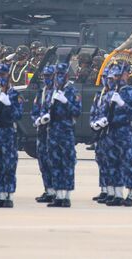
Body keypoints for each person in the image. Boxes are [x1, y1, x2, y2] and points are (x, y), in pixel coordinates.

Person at [95, 62, 132, 206]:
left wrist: (122, 104)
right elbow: (102, 111)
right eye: (114, 76)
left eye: (119, 75)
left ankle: (131, 194)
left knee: (127, 162)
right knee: (112, 163)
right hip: (111, 132)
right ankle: (118, 194)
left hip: (124, 131)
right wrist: (100, 120)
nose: (117, 78)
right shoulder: (109, 94)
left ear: (127, 75)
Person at [46, 63, 82, 208]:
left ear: (66, 76)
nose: (58, 77)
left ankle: (66, 196)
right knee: (55, 163)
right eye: (56, 74)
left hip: (66, 131)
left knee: (67, 163)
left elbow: (77, 112)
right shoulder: (51, 92)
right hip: (53, 131)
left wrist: (66, 102)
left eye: (61, 74)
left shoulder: (72, 91)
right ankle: (58, 195)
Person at [0, 63, 23, 208]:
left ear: (7, 75)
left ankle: (8, 196)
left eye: (1, 75)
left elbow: (17, 115)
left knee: (8, 165)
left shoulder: (14, 94)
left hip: (8, 132)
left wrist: (8, 104)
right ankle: (0, 194)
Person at [31, 65, 56, 203]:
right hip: (42, 131)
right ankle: (48, 190)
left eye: (49, 76)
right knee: (43, 163)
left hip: (53, 132)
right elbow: (34, 111)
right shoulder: (42, 92)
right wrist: (37, 120)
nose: (46, 79)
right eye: (45, 76)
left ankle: (57, 192)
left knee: (53, 162)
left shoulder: (58, 92)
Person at [90, 67, 112, 203]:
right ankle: (104, 189)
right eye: (103, 77)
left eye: (108, 78)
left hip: (111, 132)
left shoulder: (115, 94)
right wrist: (94, 123)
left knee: (110, 162)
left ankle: (111, 190)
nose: (105, 80)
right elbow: (93, 111)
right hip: (100, 132)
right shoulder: (100, 94)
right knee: (101, 160)